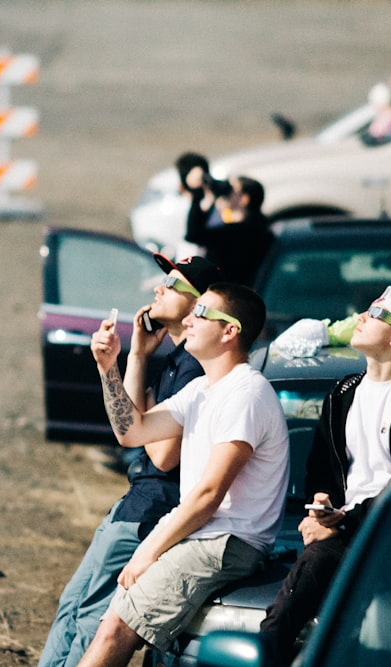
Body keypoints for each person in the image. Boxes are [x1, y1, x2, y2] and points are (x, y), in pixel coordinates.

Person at [78, 283, 290, 667]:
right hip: (202, 534)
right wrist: (109, 368)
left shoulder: (247, 394)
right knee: (113, 625)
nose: (189, 319)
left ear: (230, 331)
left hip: (227, 540)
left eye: (203, 313)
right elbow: (132, 431)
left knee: (114, 630)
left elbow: (210, 494)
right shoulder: (201, 390)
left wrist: (149, 550)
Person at [258, 286, 391, 666]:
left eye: (377, 315)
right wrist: (320, 502)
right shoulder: (343, 392)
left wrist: (341, 524)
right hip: (341, 530)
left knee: (312, 576)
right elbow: (321, 466)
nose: (363, 318)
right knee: (304, 591)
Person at [37, 254, 224, 667]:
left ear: (199, 306)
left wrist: (111, 368)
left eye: (173, 285)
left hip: (150, 511)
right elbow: (131, 430)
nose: (158, 288)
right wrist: (137, 356)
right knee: (72, 606)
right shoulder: (177, 359)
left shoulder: (197, 370)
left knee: (89, 620)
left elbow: (161, 454)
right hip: (133, 503)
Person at [176, 151, 274, 286]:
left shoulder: (243, 232)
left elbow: (194, 235)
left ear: (245, 199)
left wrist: (197, 193)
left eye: (232, 190)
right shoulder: (258, 226)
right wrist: (211, 197)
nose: (228, 193)